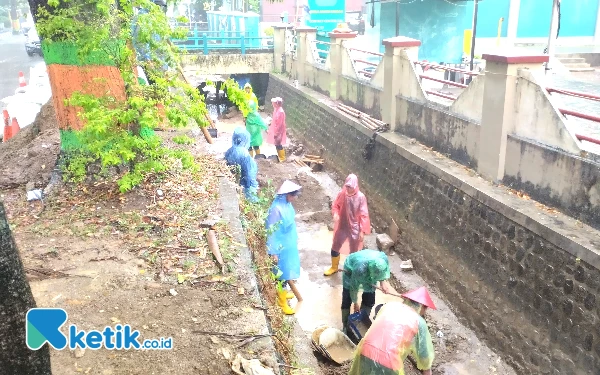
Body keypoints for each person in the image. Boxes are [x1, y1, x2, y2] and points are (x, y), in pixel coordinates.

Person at [349, 287, 436, 375]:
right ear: (424, 308)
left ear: (406, 299)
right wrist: (427, 370)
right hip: (389, 361)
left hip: (365, 350)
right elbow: (424, 355)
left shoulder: (388, 306)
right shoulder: (419, 322)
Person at [266, 180, 302, 315]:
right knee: (280, 274)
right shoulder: (276, 209)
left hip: (288, 244)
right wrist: (273, 252)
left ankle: (283, 293)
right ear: (287, 194)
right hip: (280, 246)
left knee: (287, 270)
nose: (294, 198)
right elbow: (272, 231)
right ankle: (281, 303)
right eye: (293, 195)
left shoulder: (287, 204)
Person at [324, 174, 371, 276]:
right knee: (335, 246)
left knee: (354, 250)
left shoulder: (361, 197)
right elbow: (336, 205)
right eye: (347, 186)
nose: (348, 189)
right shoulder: (343, 194)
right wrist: (336, 213)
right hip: (342, 225)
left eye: (350, 187)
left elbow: (364, 215)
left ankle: (352, 270)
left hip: (354, 228)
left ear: (355, 186)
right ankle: (334, 267)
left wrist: (362, 231)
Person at [341, 249, 392, 333]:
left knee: (369, 299)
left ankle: (362, 320)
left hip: (369, 268)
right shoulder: (360, 270)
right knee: (347, 298)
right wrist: (355, 303)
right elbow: (353, 288)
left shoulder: (383, 259)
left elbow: (382, 271)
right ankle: (346, 325)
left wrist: (382, 282)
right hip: (351, 269)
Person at [224, 127, 258, 202]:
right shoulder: (245, 156)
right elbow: (249, 175)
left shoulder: (229, 151)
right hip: (245, 187)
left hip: (233, 185)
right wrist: (252, 194)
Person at [267, 97, 287, 162]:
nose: (272, 104)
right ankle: (280, 157)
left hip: (279, 131)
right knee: (276, 144)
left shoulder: (280, 112)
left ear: (277, 103)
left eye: (274, 103)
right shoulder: (276, 110)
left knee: (278, 144)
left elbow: (279, 124)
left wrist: (276, 133)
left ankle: (282, 158)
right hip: (276, 129)